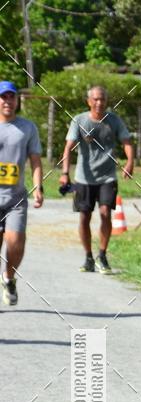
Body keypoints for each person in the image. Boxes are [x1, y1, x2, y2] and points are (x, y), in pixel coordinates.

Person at [59, 85, 133, 274]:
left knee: (105, 213)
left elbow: (126, 142)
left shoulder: (114, 120)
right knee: (84, 217)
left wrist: (130, 161)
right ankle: (88, 257)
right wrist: (65, 173)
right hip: (84, 178)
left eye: (103, 99)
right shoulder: (79, 120)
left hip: (107, 176)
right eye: (96, 99)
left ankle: (102, 255)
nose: (99, 103)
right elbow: (68, 148)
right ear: (89, 101)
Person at [0, 81, 43, 306]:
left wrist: (38, 187)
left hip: (16, 198)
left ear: (17, 101)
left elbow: (35, 160)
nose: (8, 101)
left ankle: (8, 278)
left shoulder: (28, 128)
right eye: (3, 97)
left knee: (16, 243)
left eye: (11, 97)